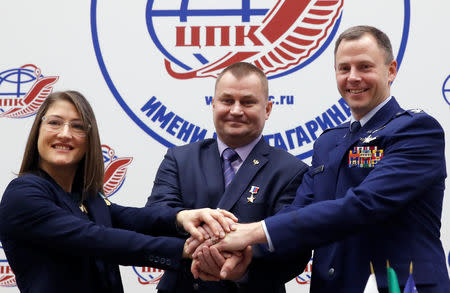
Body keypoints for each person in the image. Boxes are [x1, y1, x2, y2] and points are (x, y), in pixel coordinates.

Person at [209, 26, 450, 292]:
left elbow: (362, 205)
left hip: (397, 286)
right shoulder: (328, 142)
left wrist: (253, 232)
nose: (353, 77)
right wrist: (248, 252)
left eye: (365, 67)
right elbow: (298, 211)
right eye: (344, 68)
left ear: (391, 70)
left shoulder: (416, 130)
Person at [0, 90, 236, 293]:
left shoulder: (87, 196)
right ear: (37, 130)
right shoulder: (23, 194)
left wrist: (181, 217)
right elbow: (95, 238)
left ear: (89, 139)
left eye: (78, 126)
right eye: (54, 122)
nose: (65, 133)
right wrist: (183, 249)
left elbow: (128, 217)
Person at [146, 62, 310, 292]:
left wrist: (240, 267)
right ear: (213, 104)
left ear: (268, 108)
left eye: (247, 102)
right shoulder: (180, 159)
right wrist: (196, 237)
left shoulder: (291, 171)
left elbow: (293, 249)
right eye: (227, 100)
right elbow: (154, 219)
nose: (235, 110)